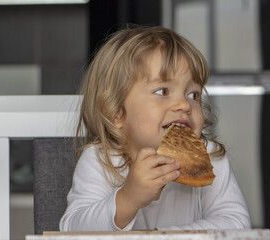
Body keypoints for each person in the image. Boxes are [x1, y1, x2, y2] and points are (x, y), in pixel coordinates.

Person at [59, 25, 251, 231]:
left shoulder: (210, 157)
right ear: (116, 113)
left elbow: (237, 223)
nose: (185, 105)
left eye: (193, 94)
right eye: (163, 91)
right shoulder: (100, 160)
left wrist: (165, 236)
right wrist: (127, 199)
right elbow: (72, 230)